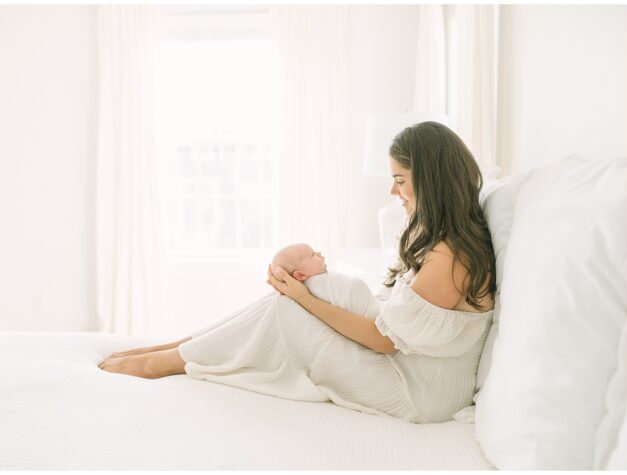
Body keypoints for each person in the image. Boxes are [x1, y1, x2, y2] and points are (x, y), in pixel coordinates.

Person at [99, 121, 496, 423]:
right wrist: (309, 295)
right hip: (410, 370)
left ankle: (167, 359)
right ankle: (178, 347)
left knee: (291, 307)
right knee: (313, 292)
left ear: (430, 178)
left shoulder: (450, 256)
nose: (394, 193)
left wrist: (304, 299)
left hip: (418, 392)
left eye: (399, 181)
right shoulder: (444, 240)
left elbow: (384, 341)